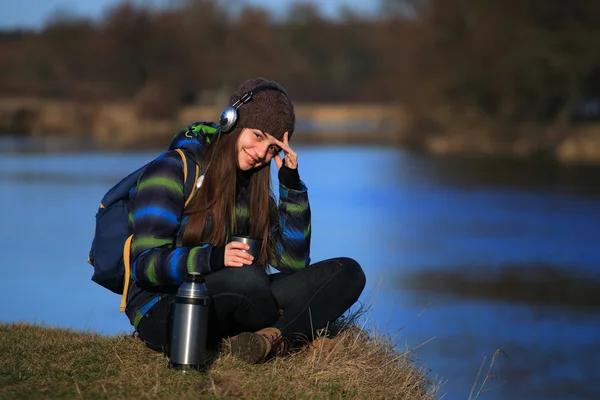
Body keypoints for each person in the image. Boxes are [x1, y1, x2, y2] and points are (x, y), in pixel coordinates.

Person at [125, 77, 366, 364]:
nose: (262, 153)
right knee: (249, 279)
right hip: (167, 307)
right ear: (231, 123)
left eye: (274, 148)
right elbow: (145, 266)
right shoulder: (172, 170)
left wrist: (291, 184)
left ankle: (270, 339)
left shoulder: (253, 188)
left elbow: (293, 262)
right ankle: (289, 326)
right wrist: (213, 259)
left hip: (239, 293)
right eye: (258, 136)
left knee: (348, 272)